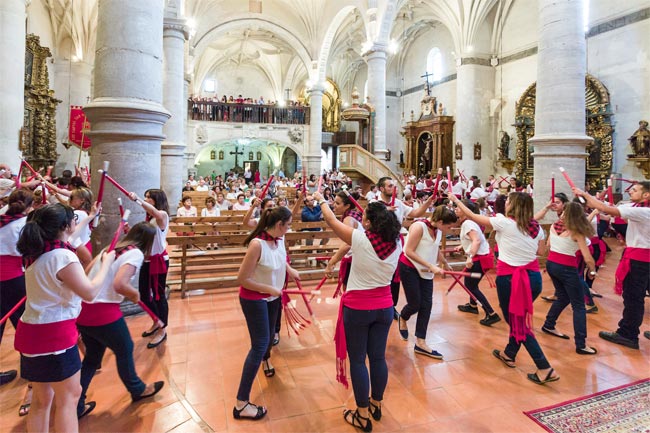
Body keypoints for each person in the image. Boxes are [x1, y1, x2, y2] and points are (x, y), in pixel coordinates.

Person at [15, 203, 115, 433]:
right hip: (54, 336)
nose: (75, 223)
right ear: (63, 226)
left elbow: (73, 234)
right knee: (69, 399)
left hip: (31, 334)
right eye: (72, 219)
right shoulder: (63, 257)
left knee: (41, 401)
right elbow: (89, 292)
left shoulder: (38, 252)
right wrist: (105, 265)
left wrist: (90, 217)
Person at [450, 191, 559, 385]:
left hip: (511, 279)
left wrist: (456, 200)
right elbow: (541, 251)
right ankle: (509, 353)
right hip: (534, 278)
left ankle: (544, 367)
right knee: (517, 316)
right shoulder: (535, 227)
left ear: (514, 205)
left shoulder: (505, 223)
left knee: (516, 322)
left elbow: (474, 217)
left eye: (508, 200)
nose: (505, 203)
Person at [314, 192, 401, 432]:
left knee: (358, 360)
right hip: (385, 305)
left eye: (365, 217)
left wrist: (321, 199)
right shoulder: (397, 242)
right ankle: (376, 403)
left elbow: (332, 221)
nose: (361, 219)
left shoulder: (361, 239)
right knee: (378, 358)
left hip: (359, 307)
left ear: (371, 223)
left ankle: (362, 414)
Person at [76, 222, 165, 418]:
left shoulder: (109, 250)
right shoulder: (135, 254)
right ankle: (137, 389)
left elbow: (85, 274)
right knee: (125, 349)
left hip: (84, 311)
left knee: (92, 358)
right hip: (104, 312)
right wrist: (134, 294)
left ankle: (76, 403)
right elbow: (119, 284)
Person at [233, 206, 299, 421]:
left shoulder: (279, 239)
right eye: (288, 225)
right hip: (255, 299)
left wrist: (290, 270)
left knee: (270, 336)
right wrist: (269, 289)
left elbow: (281, 259)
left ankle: (266, 360)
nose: (289, 229)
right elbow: (242, 279)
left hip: (272, 297)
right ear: (279, 224)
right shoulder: (257, 244)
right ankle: (241, 403)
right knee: (259, 344)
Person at [573, 182, 650, 349]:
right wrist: (598, 204)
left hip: (639, 260)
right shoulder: (638, 207)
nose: (631, 192)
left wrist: (584, 195)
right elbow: (608, 210)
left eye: (635, 190)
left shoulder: (645, 211)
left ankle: (628, 334)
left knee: (633, 298)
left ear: (646, 195)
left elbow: (607, 209)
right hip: (642, 257)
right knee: (636, 296)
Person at [398, 206, 457, 359]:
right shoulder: (419, 227)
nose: (450, 230)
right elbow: (408, 251)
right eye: (449, 226)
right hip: (409, 268)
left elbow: (434, 247)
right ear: (441, 221)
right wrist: (430, 265)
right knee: (415, 304)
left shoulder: (438, 230)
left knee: (427, 305)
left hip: (426, 271)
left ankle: (421, 342)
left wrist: (443, 261)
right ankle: (403, 317)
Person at [540, 202, 598, 354]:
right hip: (567, 268)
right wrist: (592, 271)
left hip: (552, 264)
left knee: (563, 297)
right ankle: (581, 344)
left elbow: (549, 245)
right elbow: (588, 258)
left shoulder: (554, 225)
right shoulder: (577, 232)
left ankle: (549, 324)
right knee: (578, 306)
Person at [375, 176, 434, 319]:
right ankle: (380, 305)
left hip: (396, 244)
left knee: (395, 277)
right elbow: (370, 219)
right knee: (381, 275)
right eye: (389, 186)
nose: (393, 188)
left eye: (393, 186)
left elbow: (415, 214)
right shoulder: (374, 203)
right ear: (381, 188)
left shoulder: (399, 204)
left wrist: (427, 203)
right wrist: (385, 210)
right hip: (380, 244)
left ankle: (392, 305)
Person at [128, 189, 169, 349]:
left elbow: (156, 213)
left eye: (148, 198)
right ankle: (155, 320)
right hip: (147, 261)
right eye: (145, 196)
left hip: (159, 262)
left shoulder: (162, 215)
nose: (146, 199)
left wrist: (137, 199)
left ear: (156, 200)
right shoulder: (149, 218)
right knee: (144, 295)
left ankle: (162, 328)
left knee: (159, 296)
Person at [0, 189, 33, 387]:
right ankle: (31, 368)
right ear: (28, 207)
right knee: (23, 323)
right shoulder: (24, 225)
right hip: (13, 279)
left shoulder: (3, 217)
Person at [453, 200, 501, 326]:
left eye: (459, 207)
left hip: (480, 259)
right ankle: (473, 305)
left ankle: (491, 313)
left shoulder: (468, 223)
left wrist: (469, 256)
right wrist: (462, 246)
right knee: (471, 284)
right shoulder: (468, 223)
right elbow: (473, 239)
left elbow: (477, 240)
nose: (456, 209)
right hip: (481, 257)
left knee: (471, 286)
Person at [324, 191, 364, 296]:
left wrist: (332, 262)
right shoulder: (353, 215)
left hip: (355, 259)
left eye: (337, 203)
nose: (334, 205)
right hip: (358, 256)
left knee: (351, 292)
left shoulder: (348, 219)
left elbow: (348, 244)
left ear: (347, 206)